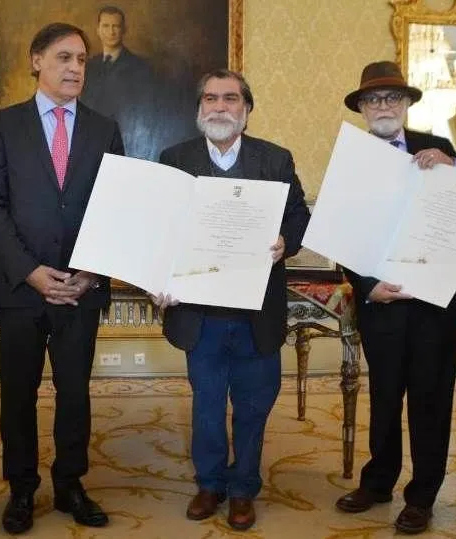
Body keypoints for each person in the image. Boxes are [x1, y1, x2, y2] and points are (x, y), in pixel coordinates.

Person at [0, 22, 124, 534]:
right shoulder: (2, 124)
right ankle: (21, 489)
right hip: (21, 287)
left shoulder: (105, 128)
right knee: (17, 392)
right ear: (37, 61)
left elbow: (115, 205)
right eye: (64, 57)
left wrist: (90, 270)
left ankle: (69, 484)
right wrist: (30, 271)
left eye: (82, 60)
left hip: (81, 287)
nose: (75, 68)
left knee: (75, 392)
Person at [151, 68, 310, 531]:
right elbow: (160, 228)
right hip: (199, 314)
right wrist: (158, 276)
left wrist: (287, 241)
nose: (219, 107)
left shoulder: (276, 160)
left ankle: (243, 489)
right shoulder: (174, 158)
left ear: (247, 109)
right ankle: (210, 484)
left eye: (230, 99)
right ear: (199, 109)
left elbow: (298, 215)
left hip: (255, 312)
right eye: (210, 99)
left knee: (253, 405)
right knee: (205, 407)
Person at [333, 61, 456, 535]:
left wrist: (454, 171)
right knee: (384, 399)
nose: (383, 106)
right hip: (382, 302)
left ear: (407, 104)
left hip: (433, 304)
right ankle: (378, 482)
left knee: (430, 402)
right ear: (362, 109)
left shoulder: (441, 148)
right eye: (373, 100)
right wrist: (367, 287)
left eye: (392, 98)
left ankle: (422, 497)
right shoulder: (350, 160)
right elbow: (341, 233)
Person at [81, 5, 156, 159]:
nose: (111, 32)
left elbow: (144, 113)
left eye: (116, 26)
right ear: (98, 30)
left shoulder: (140, 67)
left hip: (123, 145)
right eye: (106, 26)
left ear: (124, 30)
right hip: (88, 144)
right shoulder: (88, 66)